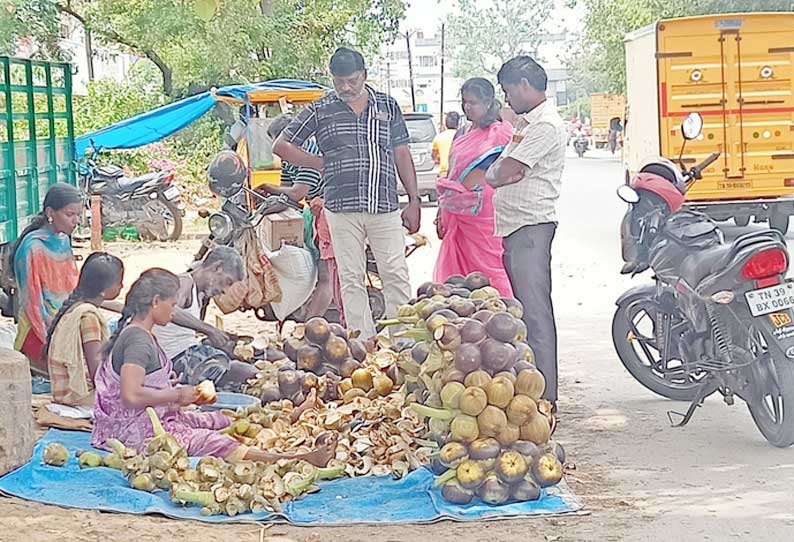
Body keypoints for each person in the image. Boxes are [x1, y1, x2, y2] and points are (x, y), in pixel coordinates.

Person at [92, 268, 337, 464]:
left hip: (155, 417)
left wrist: (169, 391)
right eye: (173, 304)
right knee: (211, 441)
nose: (175, 311)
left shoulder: (141, 334)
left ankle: (288, 415)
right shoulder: (137, 339)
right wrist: (177, 394)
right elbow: (130, 395)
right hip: (132, 432)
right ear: (156, 302)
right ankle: (294, 459)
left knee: (220, 419)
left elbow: (140, 384)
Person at [273, 47, 420, 339]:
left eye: (352, 80)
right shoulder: (320, 108)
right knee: (350, 279)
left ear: (364, 75)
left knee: (395, 274)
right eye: (339, 81)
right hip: (340, 208)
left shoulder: (387, 106)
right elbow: (281, 145)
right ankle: (362, 345)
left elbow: (402, 153)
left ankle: (403, 344)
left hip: (384, 205)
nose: (346, 87)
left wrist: (414, 200)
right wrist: (318, 163)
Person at [486, 56, 567, 409]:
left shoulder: (545, 126)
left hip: (531, 226)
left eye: (507, 91)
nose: (507, 100)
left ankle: (547, 399)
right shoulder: (526, 123)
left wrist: (495, 175)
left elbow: (507, 171)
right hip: (517, 226)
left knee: (536, 315)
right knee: (527, 312)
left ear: (523, 84)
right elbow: (502, 169)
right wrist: (497, 172)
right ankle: (536, 389)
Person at [433, 79, 514, 296]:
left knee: (490, 269)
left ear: (488, 103)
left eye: (473, 102)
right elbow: (452, 169)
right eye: (464, 102)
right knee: (458, 276)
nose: (467, 107)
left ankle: (504, 315)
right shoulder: (462, 132)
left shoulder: (501, 133)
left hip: (483, 214)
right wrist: (443, 208)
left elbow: (500, 171)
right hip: (456, 213)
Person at [262, 114, 339, 320]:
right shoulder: (288, 159)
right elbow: (285, 190)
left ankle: (309, 325)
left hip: (330, 212)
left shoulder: (310, 152)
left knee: (325, 276)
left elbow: (296, 193)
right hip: (313, 212)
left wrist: (268, 188)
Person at [152, 246, 257, 391]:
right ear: (217, 267)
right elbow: (170, 311)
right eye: (228, 282)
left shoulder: (200, 295)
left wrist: (218, 337)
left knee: (245, 363)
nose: (225, 290)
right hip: (173, 359)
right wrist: (209, 330)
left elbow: (189, 331)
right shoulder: (184, 283)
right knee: (245, 372)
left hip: (186, 353)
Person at [10, 183, 82, 373]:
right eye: (69, 214)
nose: (75, 221)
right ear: (51, 212)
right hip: (39, 330)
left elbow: (71, 286)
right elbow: (33, 303)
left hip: (63, 322)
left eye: (78, 215)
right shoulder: (33, 247)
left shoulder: (63, 239)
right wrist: (54, 337)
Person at [45, 253, 124, 407]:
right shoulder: (88, 317)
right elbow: (96, 374)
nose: (121, 286)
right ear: (103, 290)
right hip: (78, 397)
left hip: (64, 393)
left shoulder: (76, 307)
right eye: (119, 282)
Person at [432, 111, 461, 178]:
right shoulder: (462, 136)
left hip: (444, 173)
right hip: (458, 173)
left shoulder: (438, 137)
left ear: (446, 124)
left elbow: (434, 156)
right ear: (458, 124)